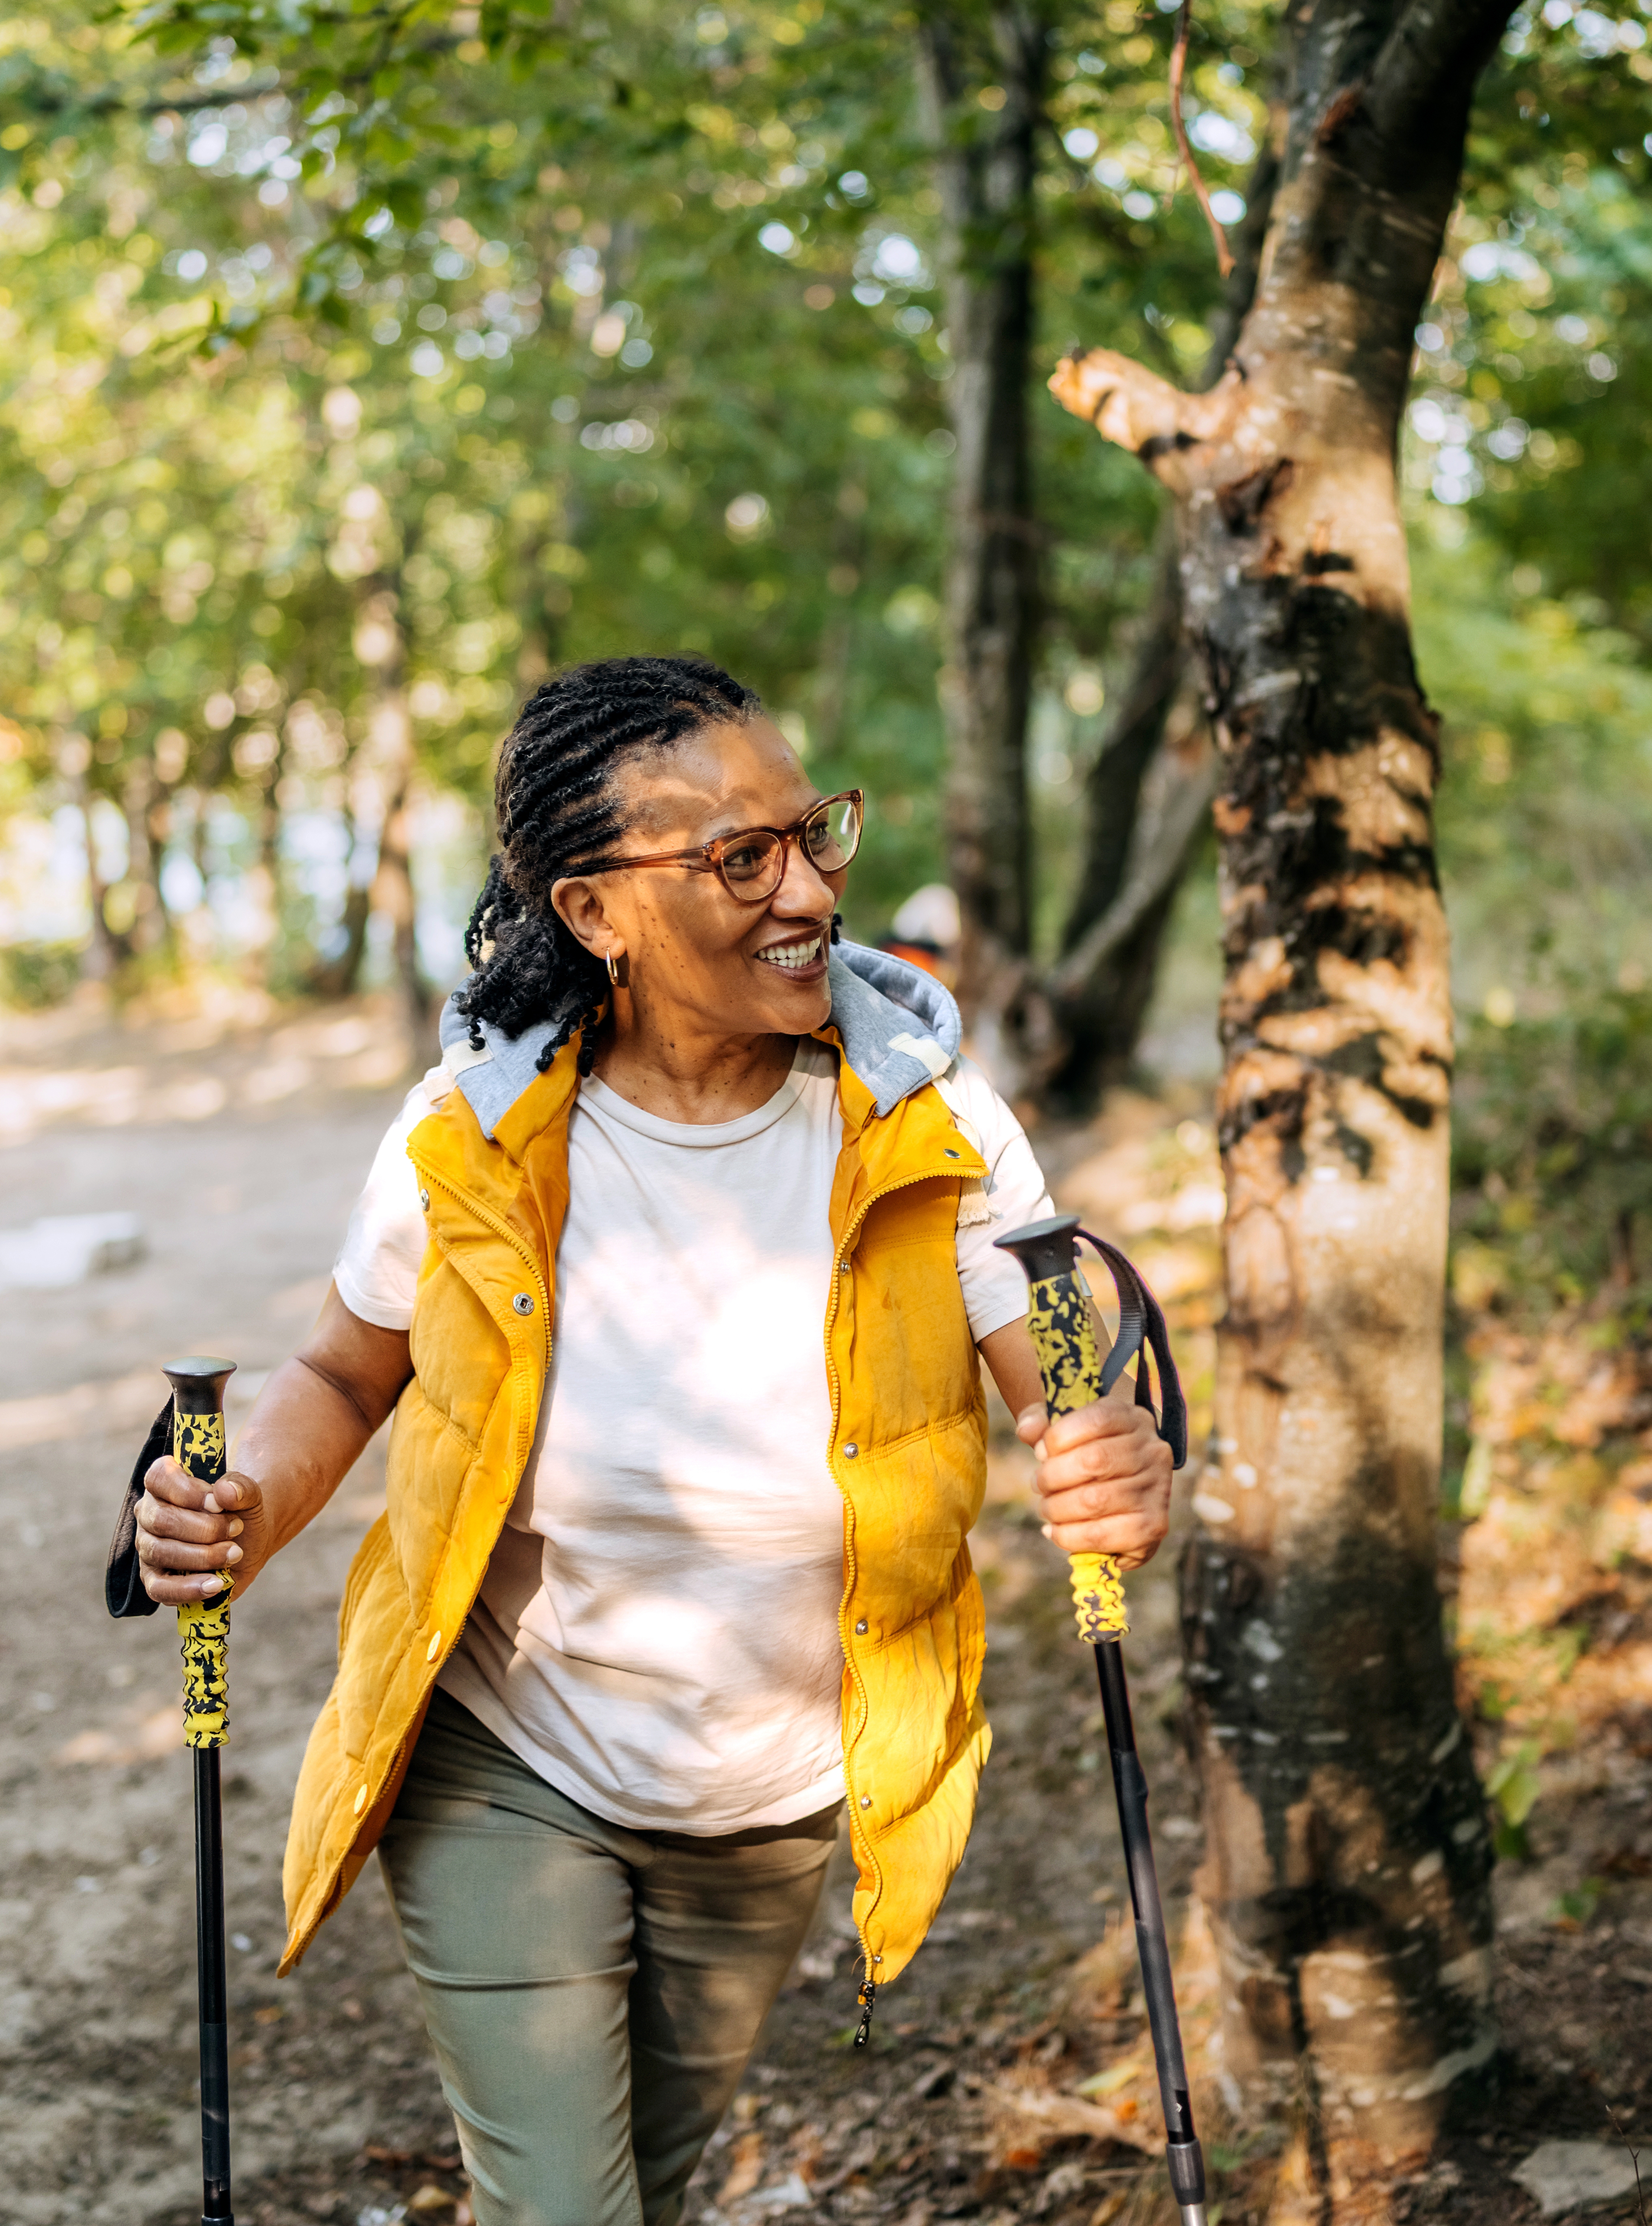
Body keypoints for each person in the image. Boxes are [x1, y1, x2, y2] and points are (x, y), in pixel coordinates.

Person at [131, 655, 1174, 2226]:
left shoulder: (924, 1115)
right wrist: (240, 1510)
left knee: (637, 2192)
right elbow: (345, 1377)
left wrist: (1117, 1455)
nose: (810, 886)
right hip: (511, 1753)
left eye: (813, 833)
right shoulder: (477, 1127)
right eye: (737, 858)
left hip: (773, 1796)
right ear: (594, 911)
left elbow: (1067, 1369)